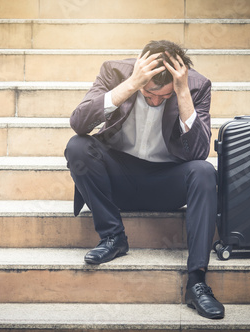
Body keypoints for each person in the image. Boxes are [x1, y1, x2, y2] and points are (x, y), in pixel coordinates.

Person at [64, 40, 224, 319]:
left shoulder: (196, 85)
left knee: (204, 171)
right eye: (149, 94)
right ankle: (113, 238)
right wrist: (131, 85)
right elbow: (79, 123)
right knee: (77, 146)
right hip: (119, 178)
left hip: (167, 182)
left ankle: (197, 281)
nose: (154, 102)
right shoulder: (115, 71)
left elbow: (199, 153)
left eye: (163, 98)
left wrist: (182, 92)